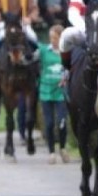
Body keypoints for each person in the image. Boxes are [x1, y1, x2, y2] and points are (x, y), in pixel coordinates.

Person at [39, 25, 70, 164]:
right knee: (49, 123)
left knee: (62, 122)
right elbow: (31, 49)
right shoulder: (44, 51)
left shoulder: (66, 52)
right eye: (51, 37)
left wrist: (65, 78)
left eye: (55, 38)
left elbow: (70, 68)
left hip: (61, 94)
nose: (52, 40)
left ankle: (62, 148)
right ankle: (51, 152)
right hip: (46, 92)